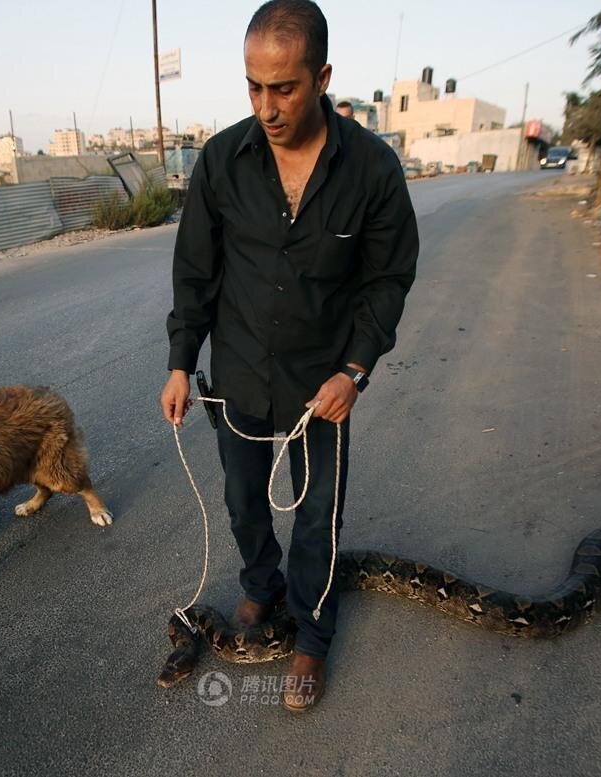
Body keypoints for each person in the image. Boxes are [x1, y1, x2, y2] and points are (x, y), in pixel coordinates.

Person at [160, 0, 418, 712]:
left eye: (284, 87)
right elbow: (196, 271)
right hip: (238, 369)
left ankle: (311, 634)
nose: (266, 107)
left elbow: (388, 278)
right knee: (245, 503)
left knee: (316, 515)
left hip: (321, 383)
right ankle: (260, 586)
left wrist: (356, 369)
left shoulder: (370, 168)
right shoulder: (221, 160)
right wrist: (182, 359)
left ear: (322, 76)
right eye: (253, 86)